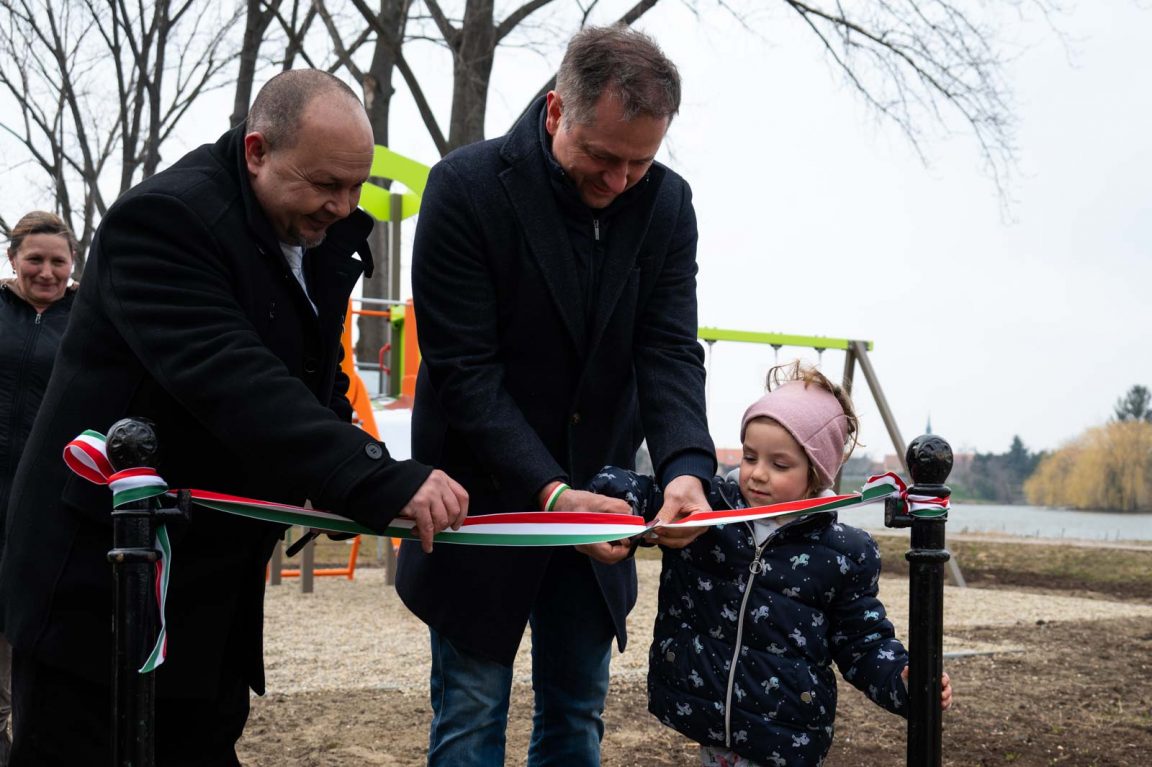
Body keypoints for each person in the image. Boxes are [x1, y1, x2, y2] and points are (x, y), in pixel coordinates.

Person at [0, 70, 468, 766]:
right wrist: (368, 474)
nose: (342, 206)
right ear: (257, 151)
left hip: (211, 588)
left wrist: (359, 465)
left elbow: (315, 375)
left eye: (354, 187)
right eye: (323, 185)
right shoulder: (163, 222)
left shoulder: (317, 234)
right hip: (98, 591)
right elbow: (226, 372)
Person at [395, 24, 716, 767]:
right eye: (601, 157)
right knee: (471, 719)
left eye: (640, 162)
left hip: (600, 505)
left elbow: (668, 348)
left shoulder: (667, 205)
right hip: (485, 499)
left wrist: (687, 470)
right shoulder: (465, 189)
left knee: (577, 716)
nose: (619, 182)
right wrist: (549, 491)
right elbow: (465, 371)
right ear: (554, 113)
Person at [589, 362, 953, 766]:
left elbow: (862, 641)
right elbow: (647, 491)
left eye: (779, 465)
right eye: (749, 456)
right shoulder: (709, 510)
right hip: (705, 713)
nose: (757, 474)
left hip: (784, 735)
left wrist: (902, 680)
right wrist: (614, 498)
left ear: (816, 474)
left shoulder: (845, 553)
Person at [0, 212, 79, 765]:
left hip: (45, 496)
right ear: (13, 260)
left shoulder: (87, 319)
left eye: (58, 261)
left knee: (28, 618)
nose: (46, 271)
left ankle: (19, 730)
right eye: (36, 259)